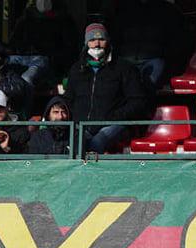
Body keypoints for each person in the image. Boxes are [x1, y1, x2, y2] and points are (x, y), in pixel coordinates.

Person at [63, 22, 151, 155]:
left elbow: (138, 101)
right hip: (82, 126)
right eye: (92, 40)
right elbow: (68, 100)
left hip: (113, 124)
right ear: (86, 43)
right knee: (76, 145)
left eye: (101, 39)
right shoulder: (77, 69)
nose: (97, 44)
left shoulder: (124, 68)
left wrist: (114, 117)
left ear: (108, 41)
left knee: (96, 144)